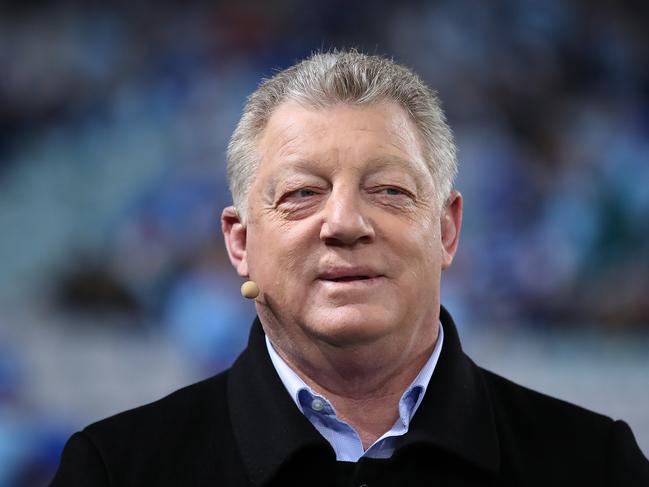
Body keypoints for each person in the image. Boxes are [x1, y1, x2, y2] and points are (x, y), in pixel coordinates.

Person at [51, 50, 649, 486]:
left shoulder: (598, 465)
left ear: (446, 230)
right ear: (240, 243)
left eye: (388, 190)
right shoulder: (114, 469)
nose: (343, 223)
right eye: (302, 193)